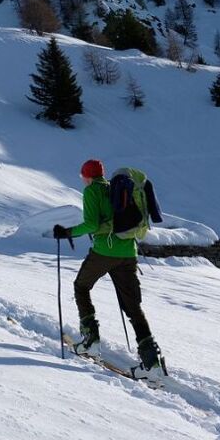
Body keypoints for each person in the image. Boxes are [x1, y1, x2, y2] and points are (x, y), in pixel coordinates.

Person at [52, 159, 163, 373]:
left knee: (81, 286)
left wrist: (67, 232)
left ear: (87, 176)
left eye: (82, 176)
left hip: (105, 251)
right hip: (128, 253)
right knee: (133, 307)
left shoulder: (92, 191)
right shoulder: (115, 187)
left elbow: (92, 224)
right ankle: (152, 363)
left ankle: (90, 341)